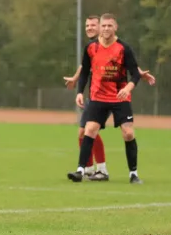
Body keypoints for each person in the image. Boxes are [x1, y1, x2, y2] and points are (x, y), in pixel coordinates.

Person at [63, 15, 156, 182]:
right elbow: (85, 70)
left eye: (109, 26)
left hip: (120, 98)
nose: (106, 29)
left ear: (115, 27)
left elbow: (134, 73)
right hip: (98, 97)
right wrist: (79, 91)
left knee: (128, 134)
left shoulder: (123, 48)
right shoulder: (91, 47)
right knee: (88, 130)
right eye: (104, 25)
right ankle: (80, 171)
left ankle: (133, 174)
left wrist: (128, 88)